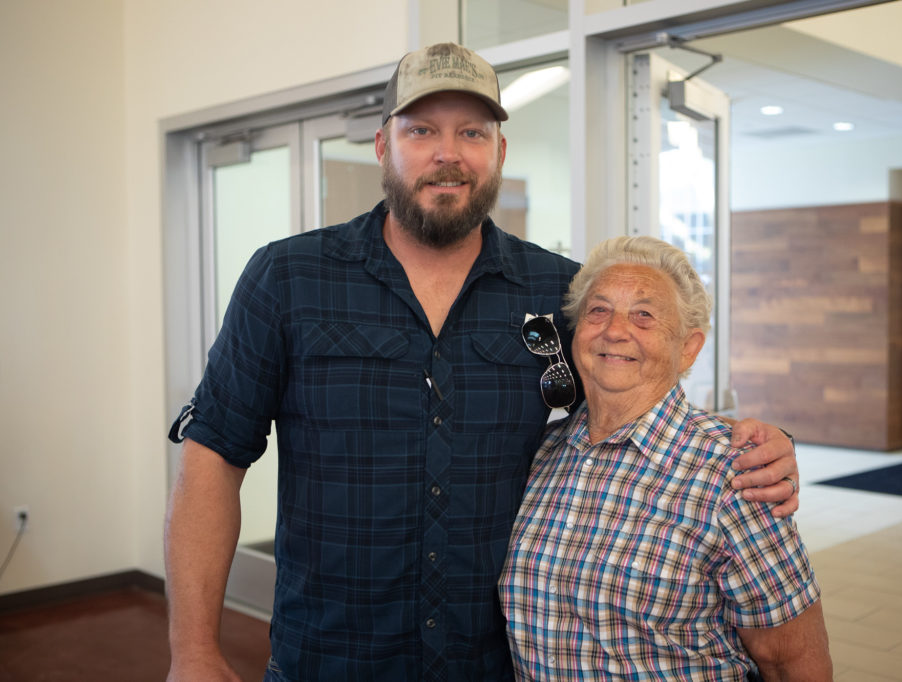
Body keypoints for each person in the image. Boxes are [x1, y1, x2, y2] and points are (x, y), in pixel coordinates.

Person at [164, 43, 800, 682]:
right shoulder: (289, 278)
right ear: (384, 146)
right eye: (422, 130)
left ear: (498, 151)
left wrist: (753, 445)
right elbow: (214, 455)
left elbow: (634, 410)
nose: (449, 152)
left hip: (498, 665)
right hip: (331, 660)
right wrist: (194, 649)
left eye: (472, 131)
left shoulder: (561, 294)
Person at [498, 235, 831, 681]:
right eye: (598, 310)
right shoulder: (541, 455)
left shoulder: (734, 475)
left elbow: (791, 661)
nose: (615, 330)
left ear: (688, 347)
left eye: (644, 315)